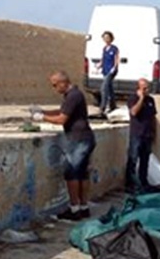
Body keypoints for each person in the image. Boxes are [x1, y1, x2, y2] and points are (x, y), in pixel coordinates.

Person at [31, 72, 96, 220]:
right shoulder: (73, 95)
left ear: (63, 82)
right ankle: (84, 207)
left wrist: (42, 117)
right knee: (82, 173)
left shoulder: (73, 96)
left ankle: (74, 209)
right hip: (85, 138)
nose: (54, 88)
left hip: (79, 140)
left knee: (71, 173)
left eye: (55, 85)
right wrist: (43, 111)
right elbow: (63, 111)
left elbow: (62, 119)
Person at [126, 78, 156, 192]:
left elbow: (153, 117)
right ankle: (130, 183)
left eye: (148, 88)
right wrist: (141, 98)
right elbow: (134, 112)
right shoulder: (133, 99)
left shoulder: (151, 100)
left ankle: (144, 182)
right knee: (133, 158)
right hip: (137, 134)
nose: (147, 90)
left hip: (148, 134)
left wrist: (154, 132)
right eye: (144, 88)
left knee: (145, 160)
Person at [99, 31, 119, 116]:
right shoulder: (104, 48)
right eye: (104, 38)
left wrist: (115, 67)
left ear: (111, 38)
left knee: (104, 88)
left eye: (107, 37)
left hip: (111, 70)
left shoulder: (114, 48)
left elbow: (116, 58)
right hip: (105, 70)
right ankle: (113, 105)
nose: (106, 39)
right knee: (110, 88)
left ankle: (102, 107)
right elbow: (103, 58)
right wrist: (99, 65)